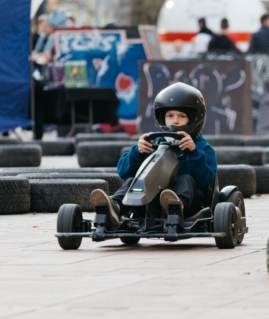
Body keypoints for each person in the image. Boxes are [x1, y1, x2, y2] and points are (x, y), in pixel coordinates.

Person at [89, 83, 217, 226]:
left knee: (185, 179)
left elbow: (204, 180)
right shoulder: (153, 145)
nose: (175, 121)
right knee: (132, 180)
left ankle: (176, 206)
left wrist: (193, 153)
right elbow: (123, 172)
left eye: (182, 116)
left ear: (194, 119)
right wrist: (138, 153)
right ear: (162, 118)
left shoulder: (203, 149)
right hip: (149, 203)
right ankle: (115, 207)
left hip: (189, 207)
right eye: (170, 116)